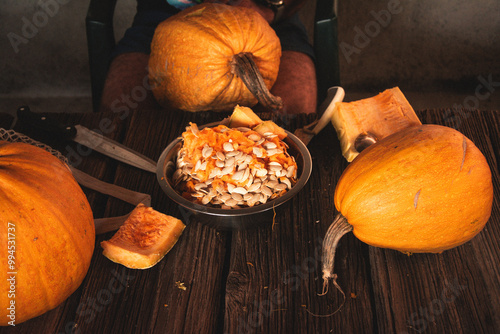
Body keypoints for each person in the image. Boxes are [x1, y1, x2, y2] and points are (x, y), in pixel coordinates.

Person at [100, 0, 317, 116]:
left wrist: (271, 6)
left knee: (294, 118)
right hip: (162, 17)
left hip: (264, 19)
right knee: (120, 119)